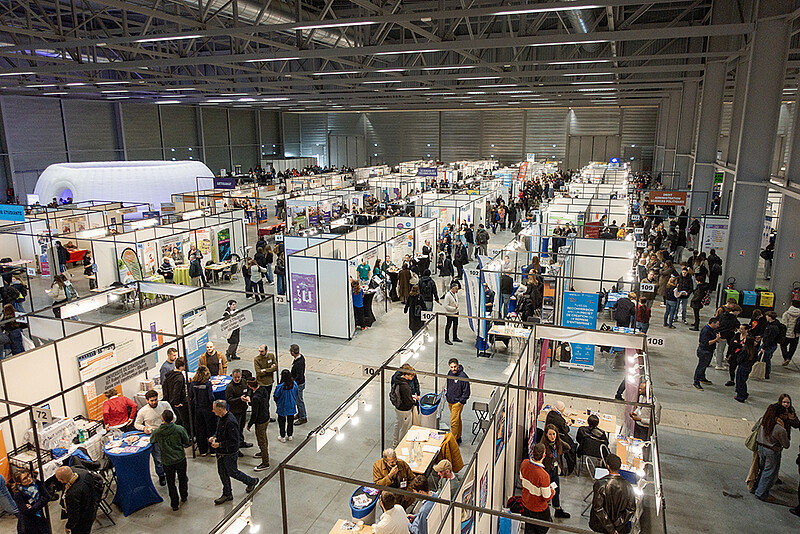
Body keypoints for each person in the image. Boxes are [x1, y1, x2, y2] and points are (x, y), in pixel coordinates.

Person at [210, 400, 259, 504]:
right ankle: (227, 493)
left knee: (232, 472)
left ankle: (251, 481)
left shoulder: (230, 422)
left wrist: (220, 444)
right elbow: (218, 431)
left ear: (219, 409)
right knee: (222, 473)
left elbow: (234, 441)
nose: (212, 411)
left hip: (229, 453)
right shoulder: (221, 418)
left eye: (214, 409)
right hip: (221, 453)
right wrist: (214, 436)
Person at [150, 410, 190, 511]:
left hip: (167, 461)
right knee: (182, 478)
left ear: (162, 419)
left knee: (171, 482)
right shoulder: (179, 429)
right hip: (180, 458)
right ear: (172, 418)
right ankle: (184, 496)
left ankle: (174, 504)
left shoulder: (158, 432)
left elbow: (152, 440)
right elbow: (186, 441)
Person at [589, 454, 636, 534]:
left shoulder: (600, 484)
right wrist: (617, 526)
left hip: (600, 526)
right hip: (621, 528)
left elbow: (598, 508)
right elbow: (631, 509)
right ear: (620, 467)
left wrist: (611, 528)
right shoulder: (628, 486)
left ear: (607, 466)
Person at [753, 403, 789, 502]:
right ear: (780, 415)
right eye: (785, 415)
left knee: (762, 469)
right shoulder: (780, 429)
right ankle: (761, 493)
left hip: (760, 448)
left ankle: (756, 486)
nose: (786, 417)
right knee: (769, 472)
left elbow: (753, 429)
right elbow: (786, 444)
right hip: (772, 451)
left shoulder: (762, 421)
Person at [134, 389, 170, 486]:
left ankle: (170, 473)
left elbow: (173, 417)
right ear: (147, 401)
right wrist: (144, 428)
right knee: (158, 458)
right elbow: (137, 424)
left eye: (155, 400)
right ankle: (161, 476)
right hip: (154, 436)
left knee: (169, 455)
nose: (154, 402)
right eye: (151, 401)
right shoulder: (143, 411)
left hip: (167, 434)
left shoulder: (165, 405)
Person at [519, 443, 555, 534]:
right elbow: (546, 496)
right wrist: (552, 491)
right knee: (543, 528)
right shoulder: (543, 475)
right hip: (539, 509)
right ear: (544, 455)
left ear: (532, 452)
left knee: (529, 529)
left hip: (526, 504)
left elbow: (521, 479)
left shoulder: (524, 463)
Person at [538, 423, 570, 518]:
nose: (552, 436)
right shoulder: (543, 445)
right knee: (546, 493)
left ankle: (557, 509)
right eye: (550, 434)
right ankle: (544, 511)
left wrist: (560, 454)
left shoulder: (558, 442)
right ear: (546, 435)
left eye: (554, 434)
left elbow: (568, 447)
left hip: (555, 471)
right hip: (546, 472)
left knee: (556, 490)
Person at [55, 466, 99, 534]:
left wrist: (68, 526)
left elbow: (74, 515)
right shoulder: (85, 474)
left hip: (83, 520)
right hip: (91, 509)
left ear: (62, 480)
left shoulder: (72, 494)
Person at [11, 469, 51, 534]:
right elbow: (26, 511)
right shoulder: (18, 494)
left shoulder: (37, 483)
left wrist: (33, 507)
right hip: (28, 524)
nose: (29, 479)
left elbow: (47, 497)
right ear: (19, 482)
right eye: (24, 479)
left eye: (28, 475)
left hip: (40, 519)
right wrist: (40, 500)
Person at [188, 365, 216, 456]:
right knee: (210, 428)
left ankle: (202, 450)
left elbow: (190, 395)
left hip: (197, 409)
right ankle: (212, 450)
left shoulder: (193, 384)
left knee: (200, 430)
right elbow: (211, 397)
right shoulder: (207, 384)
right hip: (207, 409)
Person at [225, 369, 253, 450]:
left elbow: (249, 390)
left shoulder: (244, 382)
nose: (237, 379)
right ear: (232, 377)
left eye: (238, 377)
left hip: (243, 409)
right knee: (235, 430)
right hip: (235, 412)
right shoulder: (230, 387)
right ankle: (236, 447)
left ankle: (241, 442)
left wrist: (248, 396)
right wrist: (239, 399)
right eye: (235, 377)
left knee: (241, 427)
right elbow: (229, 400)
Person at [390, 366, 418, 447]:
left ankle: (395, 441)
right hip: (404, 409)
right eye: (411, 376)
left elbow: (403, 395)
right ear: (406, 375)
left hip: (398, 407)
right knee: (405, 427)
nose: (412, 378)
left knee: (398, 424)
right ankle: (402, 444)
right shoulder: (405, 385)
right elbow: (408, 401)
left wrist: (410, 396)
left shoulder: (397, 380)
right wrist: (414, 401)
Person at [247, 378, 271, 471]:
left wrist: (250, 424)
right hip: (266, 417)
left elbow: (254, 413)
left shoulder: (256, 398)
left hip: (260, 421)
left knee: (261, 440)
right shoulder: (263, 390)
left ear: (250, 386)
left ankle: (265, 462)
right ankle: (263, 453)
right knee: (264, 437)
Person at [693, 316, 722, 390]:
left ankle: (702, 378)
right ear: (712, 323)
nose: (718, 326)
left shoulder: (712, 329)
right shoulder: (706, 331)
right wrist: (716, 339)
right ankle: (696, 382)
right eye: (717, 324)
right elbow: (707, 343)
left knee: (705, 365)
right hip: (704, 351)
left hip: (709, 351)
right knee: (701, 366)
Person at [445, 358, 469, 444]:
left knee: (453, 422)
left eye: (455, 367)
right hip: (450, 401)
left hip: (457, 403)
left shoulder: (463, 377)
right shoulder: (450, 373)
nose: (453, 369)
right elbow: (448, 385)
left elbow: (467, 392)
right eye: (451, 367)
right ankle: (458, 437)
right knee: (457, 419)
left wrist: (460, 402)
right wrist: (447, 395)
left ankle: (453, 441)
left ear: (458, 366)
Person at [253, 344, 278, 422]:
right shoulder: (257, 359)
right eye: (259, 351)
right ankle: (261, 416)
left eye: (262, 351)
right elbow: (259, 372)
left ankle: (267, 416)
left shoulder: (271, 356)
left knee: (267, 400)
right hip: (261, 384)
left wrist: (264, 370)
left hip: (269, 383)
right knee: (262, 401)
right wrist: (270, 369)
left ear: (266, 351)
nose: (260, 353)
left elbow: (276, 367)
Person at [273, 369, 298, 442]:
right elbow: (296, 393)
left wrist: (277, 402)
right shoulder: (294, 384)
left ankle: (282, 436)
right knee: (290, 421)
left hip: (282, 406)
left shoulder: (280, 386)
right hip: (291, 405)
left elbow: (276, 396)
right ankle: (290, 435)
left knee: (281, 421)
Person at [733, 333, 757, 402]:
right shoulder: (754, 350)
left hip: (742, 367)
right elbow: (755, 359)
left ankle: (741, 396)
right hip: (748, 367)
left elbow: (739, 360)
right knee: (743, 381)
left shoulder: (744, 350)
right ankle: (744, 393)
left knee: (740, 382)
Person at [289, 344, 307, 425]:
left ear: (292, 352)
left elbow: (299, 376)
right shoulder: (300, 358)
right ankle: (300, 414)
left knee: (299, 401)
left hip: (299, 384)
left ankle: (303, 417)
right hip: (299, 383)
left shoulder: (298, 363)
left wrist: (292, 381)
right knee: (298, 400)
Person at [761, 311, 781, 380]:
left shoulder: (773, 327)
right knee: (766, 358)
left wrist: (764, 347)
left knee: (766, 359)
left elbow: (770, 338)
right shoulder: (773, 324)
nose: (766, 317)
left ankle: (766, 373)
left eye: (767, 316)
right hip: (770, 344)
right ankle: (765, 372)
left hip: (769, 345)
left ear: (770, 317)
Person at [781, 300, 800, 365]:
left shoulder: (786, 313)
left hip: (787, 333)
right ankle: (789, 358)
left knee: (783, 345)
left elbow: (784, 324)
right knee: (793, 347)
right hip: (796, 334)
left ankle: (785, 357)